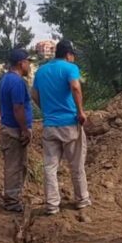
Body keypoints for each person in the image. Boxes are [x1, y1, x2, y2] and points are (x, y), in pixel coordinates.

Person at [31, 39, 91, 215]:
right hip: (69, 124)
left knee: (50, 166)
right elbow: (75, 87)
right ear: (68, 54)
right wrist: (80, 112)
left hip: (50, 125)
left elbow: (34, 94)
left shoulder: (41, 71)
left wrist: (46, 110)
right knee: (76, 163)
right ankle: (81, 199)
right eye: (73, 55)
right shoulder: (70, 68)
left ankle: (51, 204)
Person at [0, 48, 34, 212]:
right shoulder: (17, 82)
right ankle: (12, 202)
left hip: (7, 128)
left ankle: (15, 197)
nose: (29, 66)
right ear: (21, 63)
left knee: (18, 165)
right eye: (28, 62)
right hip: (13, 131)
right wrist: (25, 130)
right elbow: (18, 108)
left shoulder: (5, 79)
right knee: (14, 167)